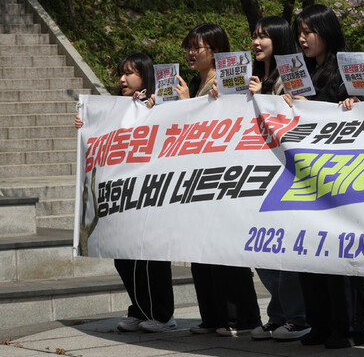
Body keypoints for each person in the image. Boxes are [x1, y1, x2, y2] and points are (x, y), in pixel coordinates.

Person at [287, 5, 364, 348]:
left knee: (340, 255)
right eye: (300, 32)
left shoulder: (346, 69)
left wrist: (354, 102)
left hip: (340, 176)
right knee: (311, 253)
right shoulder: (302, 72)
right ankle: (319, 322)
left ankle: (349, 326)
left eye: (310, 31)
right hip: (306, 177)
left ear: (327, 31)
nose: (303, 38)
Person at [76, 53, 175, 333]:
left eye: (129, 73)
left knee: (149, 257)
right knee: (124, 256)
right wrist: (87, 128)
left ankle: (162, 314)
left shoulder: (163, 105)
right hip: (123, 194)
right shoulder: (118, 109)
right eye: (121, 74)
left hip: (150, 193)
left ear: (145, 76)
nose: (122, 79)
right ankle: (139, 308)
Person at [176, 24, 263, 337]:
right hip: (198, 179)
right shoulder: (197, 85)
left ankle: (244, 317)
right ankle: (213, 316)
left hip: (223, 179)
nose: (191, 52)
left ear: (216, 50)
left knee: (226, 252)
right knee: (201, 252)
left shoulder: (226, 81)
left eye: (198, 47)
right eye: (189, 46)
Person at [247, 16, 311, 341]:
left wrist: (268, 98)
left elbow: (302, 114)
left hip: (286, 173)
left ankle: (297, 318)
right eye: (255, 36)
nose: (257, 42)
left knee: (281, 251)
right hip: (259, 171)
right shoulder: (258, 76)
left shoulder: (291, 75)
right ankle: (279, 313)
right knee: (262, 252)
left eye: (264, 37)